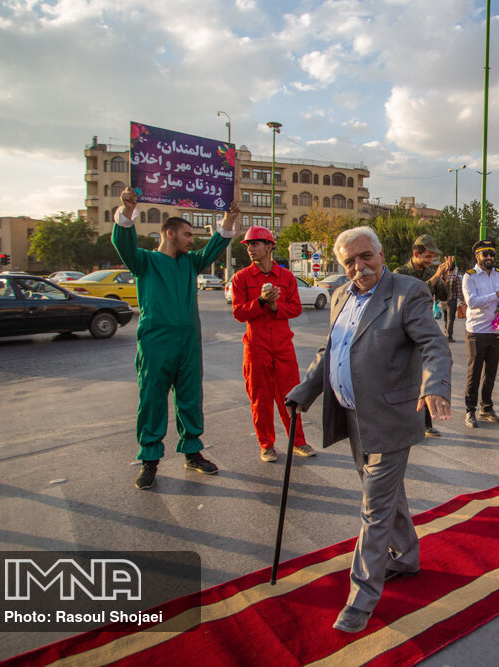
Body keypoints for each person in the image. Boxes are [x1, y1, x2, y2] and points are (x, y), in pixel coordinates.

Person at [286, 226, 452, 634]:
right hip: (353, 415)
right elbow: (332, 349)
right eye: (349, 262)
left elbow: (433, 344)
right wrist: (304, 391)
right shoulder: (341, 295)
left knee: (373, 507)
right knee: (386, 496)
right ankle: (407, 556)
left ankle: (361, 597)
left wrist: (434, 385)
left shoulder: (407, 291)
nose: (359, 268)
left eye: (366, 257)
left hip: (392, 417)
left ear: (380, 253)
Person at [112, 187, 236, 490]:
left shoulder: (190, 262)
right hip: (156, 343)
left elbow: (214, 248)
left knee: (191, 398)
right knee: (152, 399)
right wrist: (127, 210)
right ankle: (150, 461)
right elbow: (122, 240)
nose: (192, 240)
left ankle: (193, 452)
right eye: (188, 234)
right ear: (169, 234)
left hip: (189, 344)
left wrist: (229, 218)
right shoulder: (144, 262)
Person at [231, 225, 315, 462]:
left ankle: (297, 441)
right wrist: (260, 301)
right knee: (260, 398)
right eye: (248, 245)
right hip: (255, 346)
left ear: (269, 247)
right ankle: (267, 445)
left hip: (283, 345)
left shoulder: (286, 277)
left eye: (255, 244)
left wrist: (276, 306)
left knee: (291, 396)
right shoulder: (241, 278)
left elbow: (296, 307)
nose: (250, 249)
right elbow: (238, 313)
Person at [394, 234, 453, 437]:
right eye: (427, 256)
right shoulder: (400, 273)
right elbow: (411, 295)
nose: (430, 261)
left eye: (432, 257)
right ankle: (403, 421)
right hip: (403, 331)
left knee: (427, 375)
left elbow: (444, 297)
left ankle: (426, 423)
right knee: (405, 378)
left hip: (425, 329)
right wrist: (436, 276)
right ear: (416, 253)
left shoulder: (429, 272)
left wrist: (444, 278)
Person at [463, 239, 499, 428]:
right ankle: (470, 410)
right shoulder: (469, 277)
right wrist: (497, 294)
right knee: (474, 373)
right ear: (477, 256)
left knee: (491, 373)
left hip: (495, 331)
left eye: (492, 254)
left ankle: (486, 408)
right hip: (476, 331)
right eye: (485, 254)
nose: (489, 257)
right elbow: (472, 302)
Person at [443, 264, 463, 343]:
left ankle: (445, 334)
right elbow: (459, 291)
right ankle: (449, 336)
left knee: (445, 318)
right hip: (452, 300)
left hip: (443, 301)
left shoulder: (443, 277)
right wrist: (463, 300)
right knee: (450, 319)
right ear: (454, 269)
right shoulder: (456, 277)